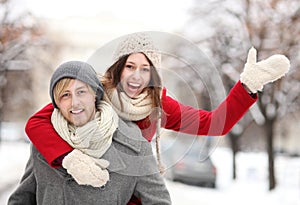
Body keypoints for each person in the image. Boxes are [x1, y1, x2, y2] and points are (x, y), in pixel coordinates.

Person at [23, 33, 290, 204]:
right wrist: (68, 157)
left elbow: (213, 124)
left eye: (145, 69)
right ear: (118, 68)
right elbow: (37, 123)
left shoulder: (159, 106)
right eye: (130, 66)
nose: (136, 76)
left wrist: (246, 86)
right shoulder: (95, 92)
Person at [8, 61, 171, 205]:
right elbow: (22, 198)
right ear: (57, 103)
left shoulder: (135, 145)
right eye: (65, 95)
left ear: (95, 94)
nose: (75, 102)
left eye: (81, 92)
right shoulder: (43, 143)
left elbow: (159, 201)